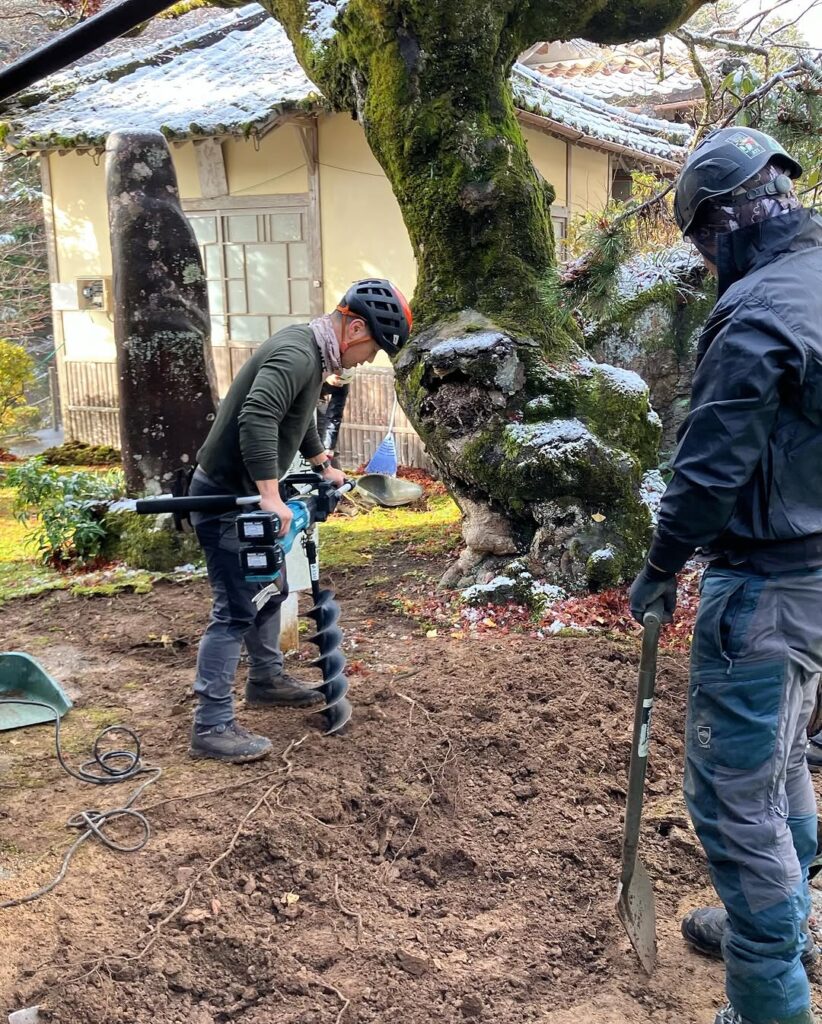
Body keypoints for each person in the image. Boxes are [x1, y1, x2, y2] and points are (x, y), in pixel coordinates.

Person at [628, 127, 822, 1024]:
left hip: (771, 585)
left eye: (703, 241)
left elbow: (708, 473)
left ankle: (769, 995)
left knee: (731, 797)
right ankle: (782, 925)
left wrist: (662, 566)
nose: (707, 259)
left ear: (730, 219)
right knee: (780, 754)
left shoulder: (757, 316)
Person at [188, 279, 412, 763]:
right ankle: (211, 725)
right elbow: (258, 416)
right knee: (234, 610)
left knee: (273, 588)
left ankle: (266, 680)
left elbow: (299, 411)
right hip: (227, 497)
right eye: (373, 347)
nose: (369, 359)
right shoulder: (297, 354)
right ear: (355, 328)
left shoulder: (312, 355)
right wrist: (270, 493)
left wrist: (320, 461)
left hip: (244, 494)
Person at [316, 369, 354, 469]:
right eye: (338, 381)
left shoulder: (343, 384)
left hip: (318, 401)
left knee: (323, 443)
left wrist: (329, 447)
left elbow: (334, 415)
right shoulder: (312, 371)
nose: (340, 385)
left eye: (343, 383)